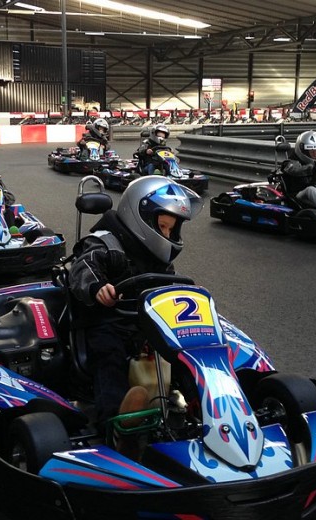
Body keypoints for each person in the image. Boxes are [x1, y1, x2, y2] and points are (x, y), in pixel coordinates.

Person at [68, 176, 202, 457]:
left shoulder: (157, 259)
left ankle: (203, 405)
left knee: (185, 350)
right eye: (162, 227)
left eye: (171, 229)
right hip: (107, 322)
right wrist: (97, 287)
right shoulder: (103, 243)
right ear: (140, 218)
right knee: (110, 356)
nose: (167, 234)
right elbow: (83, 268)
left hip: (145, 324)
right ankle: (119, 424)